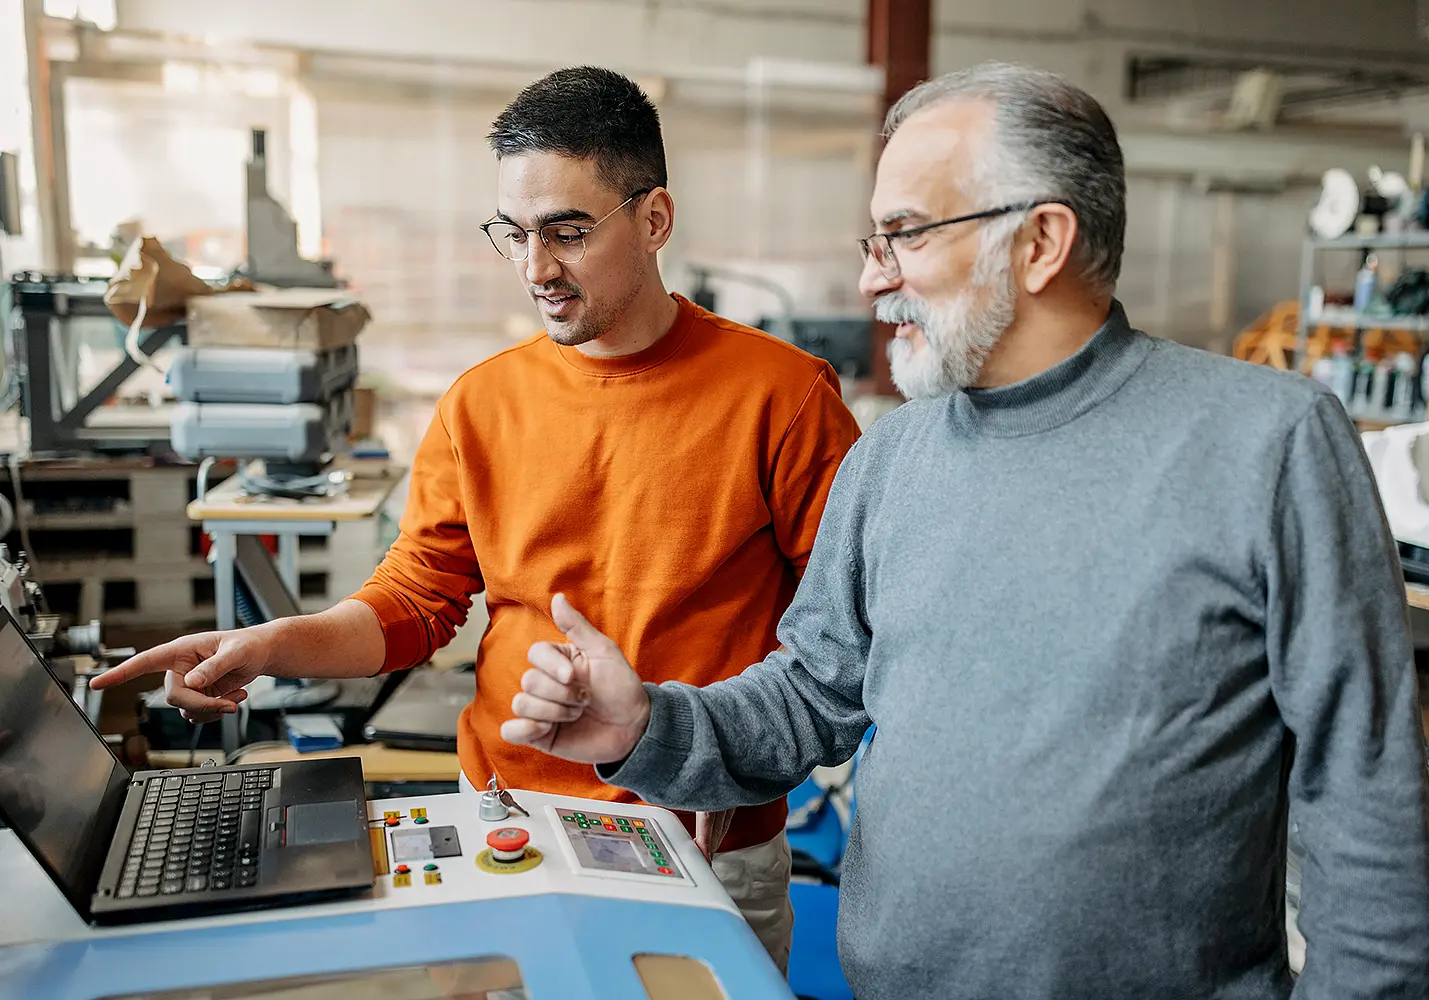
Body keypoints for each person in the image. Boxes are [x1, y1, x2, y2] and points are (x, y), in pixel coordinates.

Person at [499, 63, 1429, 999]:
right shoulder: (891, 459)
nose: (872, 276)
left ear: (1040, 241)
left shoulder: (1268, 443)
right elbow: (810, 697)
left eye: (903, 234)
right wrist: (647, 724)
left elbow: (1369, 807)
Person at [90, 66, 861, 969]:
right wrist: (268, 645)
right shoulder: (480, 404)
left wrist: (725, 756)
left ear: (654, 219)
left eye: (568, 232)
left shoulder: (784, 397)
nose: (537, 269)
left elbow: (838, 644)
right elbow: (420, 600)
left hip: (700, 831)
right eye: (515, 233)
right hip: (507, 812)